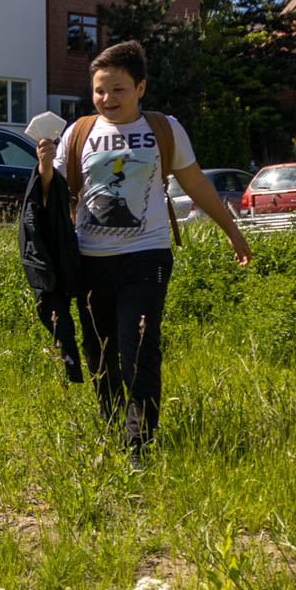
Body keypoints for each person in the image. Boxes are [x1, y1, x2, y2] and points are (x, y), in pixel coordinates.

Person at [39, 40, 252, 467]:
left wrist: (233, 231)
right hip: (89, 258)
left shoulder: (164, 129)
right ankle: (113, 429)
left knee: (138, 347)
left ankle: (139, 447)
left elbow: (195, 183)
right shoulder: (78, 133)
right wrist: (45, 166)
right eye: (100, 90)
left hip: (146, 254)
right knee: (100, 352)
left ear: (140, 88)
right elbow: (49, 197)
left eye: (117, 89)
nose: (107, 99)